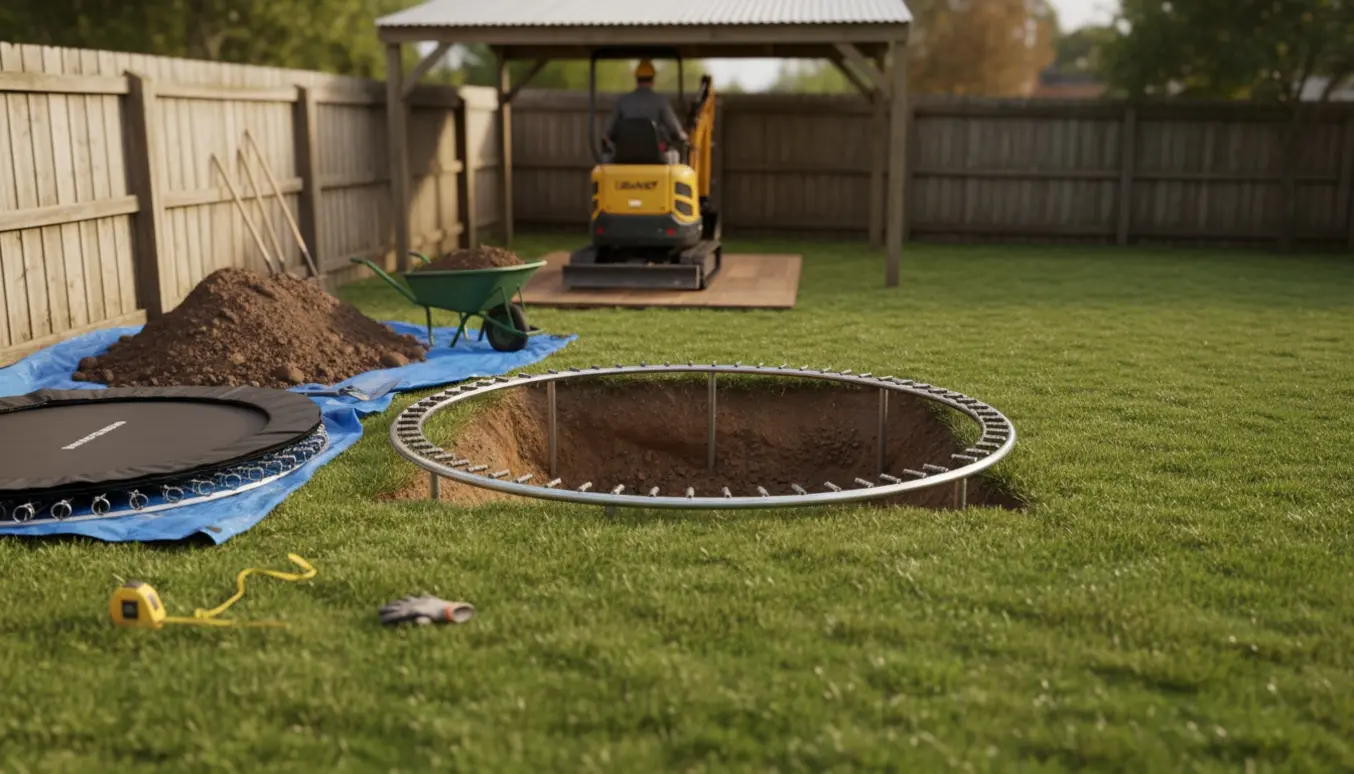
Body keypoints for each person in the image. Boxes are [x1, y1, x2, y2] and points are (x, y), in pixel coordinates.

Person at [604, 59, 687, 164]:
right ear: (653, 80)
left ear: (637, 79)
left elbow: (608, 133)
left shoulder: (623, 101)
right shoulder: (660, 101)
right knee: (675, 156)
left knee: (606, 158)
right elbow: (676, 130)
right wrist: (682, 136)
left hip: (623, 157)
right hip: (655, 158)